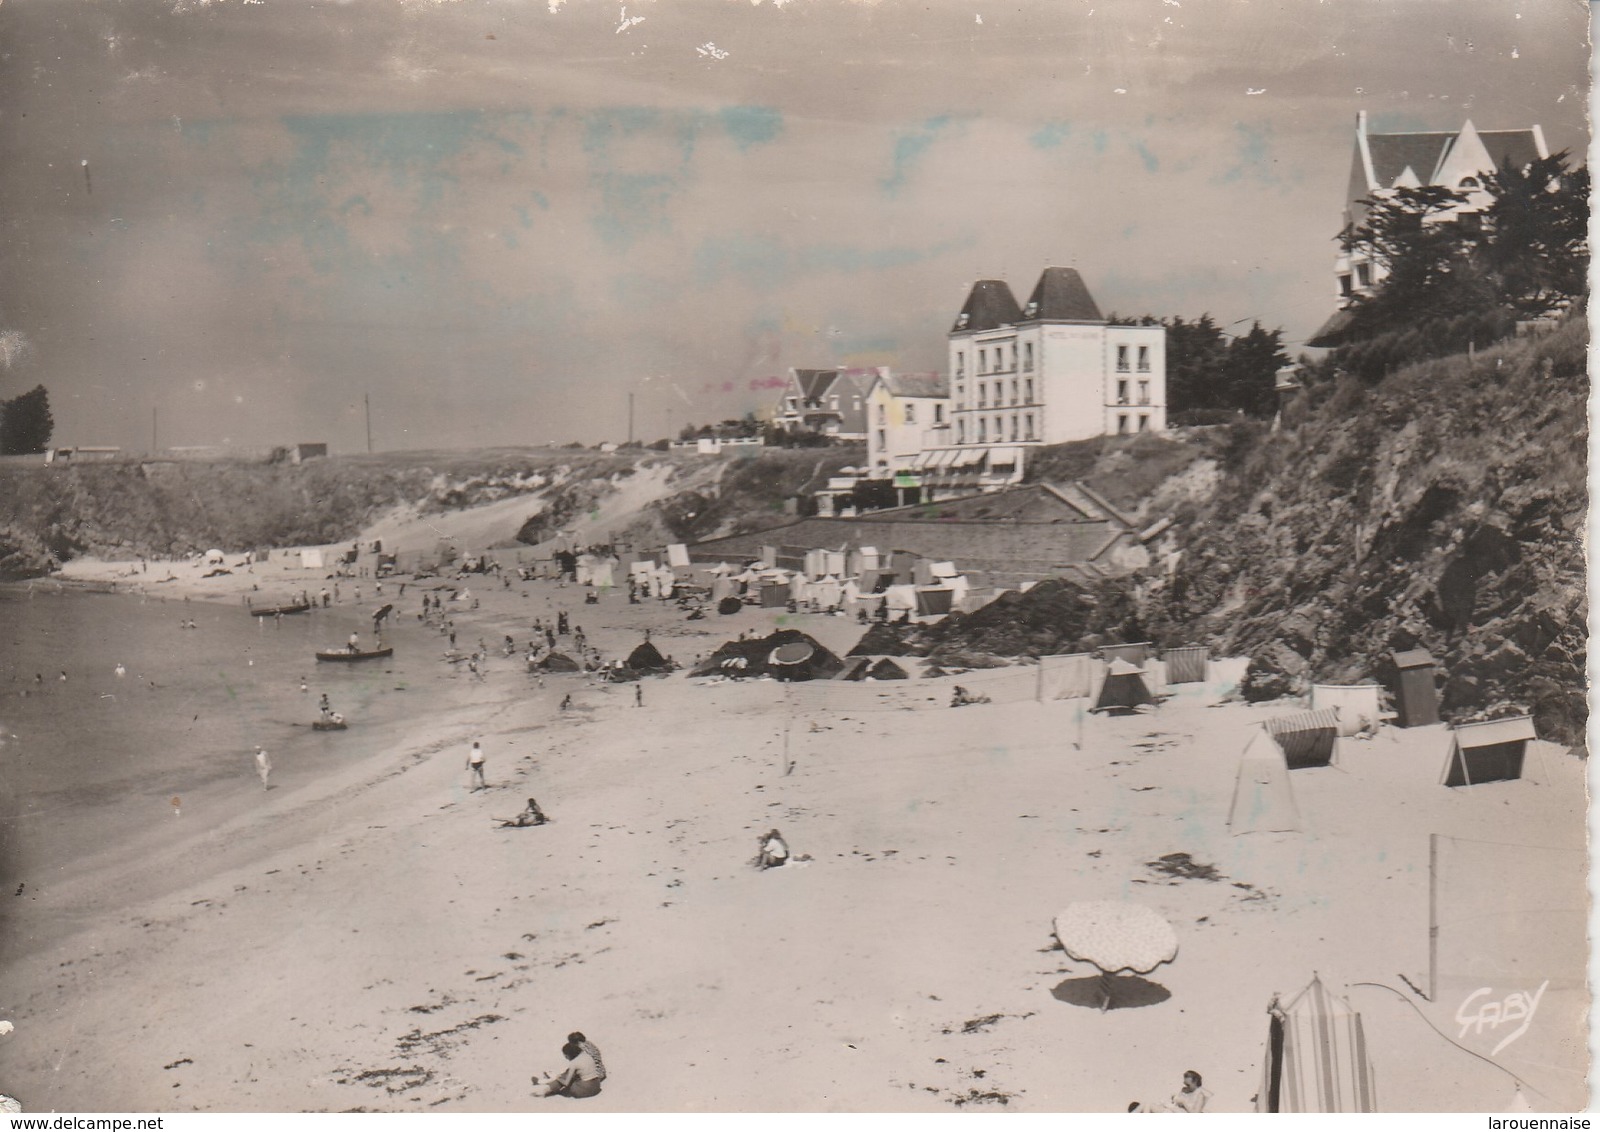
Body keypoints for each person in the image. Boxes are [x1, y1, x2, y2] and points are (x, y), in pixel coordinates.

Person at [535, 1040, 604, 1098]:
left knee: (564, 1077)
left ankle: (545, 1090)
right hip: (596, 1086)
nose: (565, 1057)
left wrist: (557, 1077)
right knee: (568, 1074)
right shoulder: (587, 1055)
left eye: (565, 1055)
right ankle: (547, 1082)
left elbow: (566, 1083)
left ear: (568, 1054)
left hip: (585, 1090)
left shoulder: (574, 1063)